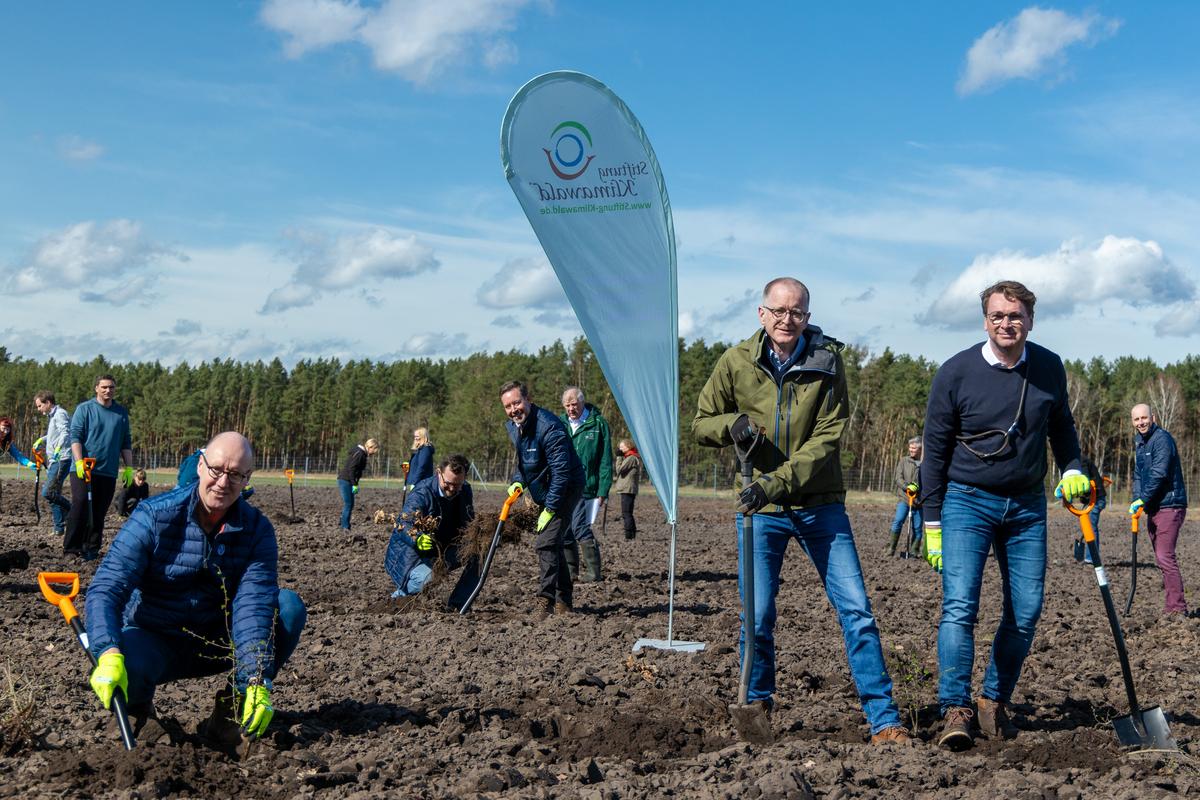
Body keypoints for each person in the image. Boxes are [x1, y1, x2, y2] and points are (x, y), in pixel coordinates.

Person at [692, 277, 910, 745]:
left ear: (808, 316)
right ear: (761, 313)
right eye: (779, 311)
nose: (787, 320)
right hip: (760, 510)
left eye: (798, 312)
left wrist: (777, 482)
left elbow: (828, 437)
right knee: (757, 615)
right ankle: (756, 704)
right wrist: (733, 424)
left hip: (819, 505)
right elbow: (700, 423)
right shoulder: (735, 362)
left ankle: (884, 720)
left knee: (857, 611)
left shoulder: (828, 361)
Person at [920, 280, 1086, 750]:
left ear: (1030, 321)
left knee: (1027, 610)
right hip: (966, 501)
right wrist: (932, 522)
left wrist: (1073, 468)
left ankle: (994, 699)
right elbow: (934, 453)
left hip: (1027, 507)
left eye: (1015, 316)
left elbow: (1063, 428)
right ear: (985, 320)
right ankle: (956, 707)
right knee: (959, 607)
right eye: (997, 316)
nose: (1006, 324)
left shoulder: (1049, 367)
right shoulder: (955, 372)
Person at [84, 432, 306, 748]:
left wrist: (255, 679)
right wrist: (106, 652)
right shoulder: (153, 516)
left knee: (288, 607)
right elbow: (106, 589)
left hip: (216, 639)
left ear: (247, 480)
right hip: (155, 638)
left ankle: (232, 713)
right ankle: (140, 717)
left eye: (235, 474)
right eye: (216, 469)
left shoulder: (257, 530)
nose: (222, 481)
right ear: (200, 466)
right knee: (125, 656)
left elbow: (252, 605)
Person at [500, 381, 585, 620]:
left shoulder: (549, 427)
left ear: (528, 399)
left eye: (516, 402)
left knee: (545, 543)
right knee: (554, 544)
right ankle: (564, 602)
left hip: (566, 487)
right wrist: (518, 482)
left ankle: (545, 602)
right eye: (508, 406)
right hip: (546, 486)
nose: (513, 409)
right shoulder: (515, 427)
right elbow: (525, 463)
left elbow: (561, 472)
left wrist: (550, 508)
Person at [385, 454, 475, 597]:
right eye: (448, 483)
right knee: (429, 579)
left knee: (479, 555)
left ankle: (457, 604)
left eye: (457, 484)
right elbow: (404, 523)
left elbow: (468, 520)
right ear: (439, 472)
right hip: (413, 555)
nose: (452, 489)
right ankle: (400, 596)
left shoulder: (465, 490)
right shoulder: (422, 493)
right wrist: (418, 538)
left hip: (443, 549)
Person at [64, 374, 134, 560]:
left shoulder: (120, 413)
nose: (108, 390)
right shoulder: (85, 409)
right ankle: (71, 548)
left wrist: (129, 468)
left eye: (111, 387)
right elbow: (75, 437)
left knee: (99, 510)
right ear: (96, 388)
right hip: (83, 468)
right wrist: (79, 462)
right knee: (80, 505)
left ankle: (91, 548)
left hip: (108, 470)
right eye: (104, 387)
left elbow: (125, 442)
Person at [1129, 403, 1189, 615]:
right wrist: (1136, 500)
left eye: (1144, 418)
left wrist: (1142, 499)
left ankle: (1177, 608)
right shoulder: (1141, 443)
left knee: (1165, 556)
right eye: (1136, 419)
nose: (1141, 422)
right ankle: (1172, 606)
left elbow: (1159, 474)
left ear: (1152, 417)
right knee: (1162, 558)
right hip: (1154, 507)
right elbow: (1138, 475)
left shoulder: (1161, 440)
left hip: (1169, 506)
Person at [560, 386, 613, 582]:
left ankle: (593, 572)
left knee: (580, 527)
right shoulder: (560, 424)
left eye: (574, 404)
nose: (571, 409)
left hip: (585, 486)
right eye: (567, 405)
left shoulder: (598, 424)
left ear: (582, 402)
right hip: (562, 485)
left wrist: (603, 489)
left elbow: (605, 460)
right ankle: (571, 571)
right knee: (564, 529)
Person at [34, 391, 73, 536]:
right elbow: (53, 434)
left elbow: (65, 433)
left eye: (39, 406)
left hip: (61, 459)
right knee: (53, 494)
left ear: (48, 403)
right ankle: (59, 528)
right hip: (54, 460)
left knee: (48, 492)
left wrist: (58, 448)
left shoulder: (60, 413)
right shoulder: (52, 416)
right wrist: (41, 440)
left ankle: (72, 510)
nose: (38, 409)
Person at [888, 437, 923, 558]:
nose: (911, 450)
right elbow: (898, 478)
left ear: (920, 449)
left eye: (914, 448)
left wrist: (917, 488)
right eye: (910, 448)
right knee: (898, 521)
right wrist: (907, 487)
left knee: (918, 528)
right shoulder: (904, 461)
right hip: (904, 498)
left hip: (919, 502)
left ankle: (914, 551)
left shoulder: (925, 463)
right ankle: (890, 549)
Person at [336, 438, 379, 532]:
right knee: (348, 504)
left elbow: (358, 471)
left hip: (349, 481)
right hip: (345, 480)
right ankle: (345, 527)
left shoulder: (362, 454)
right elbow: (351, 469)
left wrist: (356, 483)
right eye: (374, 451)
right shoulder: (360, 454)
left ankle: (343, 522)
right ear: (370, 447)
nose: (373, 453)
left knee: (350, 504)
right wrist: (354, 484)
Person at [1075, 456, 1109, 564]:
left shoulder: (1081, 461)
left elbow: (1085, 482)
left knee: (1090, 527)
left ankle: (1092, 558)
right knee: (1087, 526)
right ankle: (1091, 556)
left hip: (1096, 500)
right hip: (1091, 500)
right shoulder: (1079, 463)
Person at [0, 416, 37, 511]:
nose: (5, 431)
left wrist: (29, 463)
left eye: (8, 430)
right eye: (3, 428)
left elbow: (18, 455)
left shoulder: (7, 443)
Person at [614, 439, 642, 541]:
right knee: (628, 512)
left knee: (626, 513)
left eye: (622, 447)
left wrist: (618, 457)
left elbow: (619, 470)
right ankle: (632, 533)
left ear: (628, 446)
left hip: (628, 489)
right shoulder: (630, 457)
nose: (620, 449)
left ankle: (629, 535)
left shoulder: (631, 458)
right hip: (627, 489)